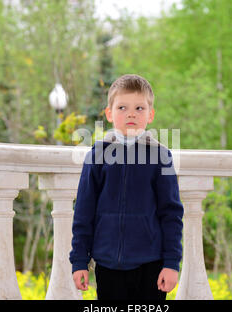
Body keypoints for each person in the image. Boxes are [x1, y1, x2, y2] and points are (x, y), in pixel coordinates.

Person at [69, 74, 184, 300]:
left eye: (139, 108)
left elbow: (171, 214)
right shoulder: (97, 155)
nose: (131, 113)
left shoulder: (161, 156)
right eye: (122, 107)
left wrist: (171, 263)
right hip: (108, 265)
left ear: (150, 115)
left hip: (152, 266)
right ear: (109, 113)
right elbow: (83, 211)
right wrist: (79, 260)